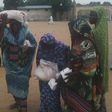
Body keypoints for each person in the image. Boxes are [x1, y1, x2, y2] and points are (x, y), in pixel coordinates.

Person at [54, 10, 106, 112]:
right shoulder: (78, 42)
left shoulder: (87, 45)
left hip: (84, 84)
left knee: (82, 106)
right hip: (76, 82)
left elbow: (90, 70)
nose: (71, 33)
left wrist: (74, 73)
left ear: (80, 31)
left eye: (73, 31)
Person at [0, 10, 37, 112]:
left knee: (23, 86)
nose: (13, 26)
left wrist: (28, 47)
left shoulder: (26, 33)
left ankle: (23, 106)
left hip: (23, 66)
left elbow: (34, 44)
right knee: (13, 85)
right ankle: (17, 102)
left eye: (16, 24)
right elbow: (1, 41)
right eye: (11, 24)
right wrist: (2, 25)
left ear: (20, 24)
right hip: (10, 66)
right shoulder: (6, 31)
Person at [36, 33, 70, 112]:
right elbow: (38, 59)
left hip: (56, 76)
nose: (45, 47)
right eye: (43, 45)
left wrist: (63, 71)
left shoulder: (61, 47)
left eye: (47, 45)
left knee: (54, 96)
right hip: (44, 75)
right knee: (44, 95)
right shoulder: (41, 47)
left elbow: (68, 57)